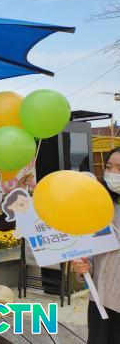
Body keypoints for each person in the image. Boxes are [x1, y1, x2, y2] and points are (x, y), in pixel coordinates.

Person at [72, 146, 120, 344]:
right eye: (109, 167)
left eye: (119, 168)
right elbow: (91, 251)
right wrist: (84, 266)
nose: (113, 173)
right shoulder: (101, 206)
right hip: (100, 301)